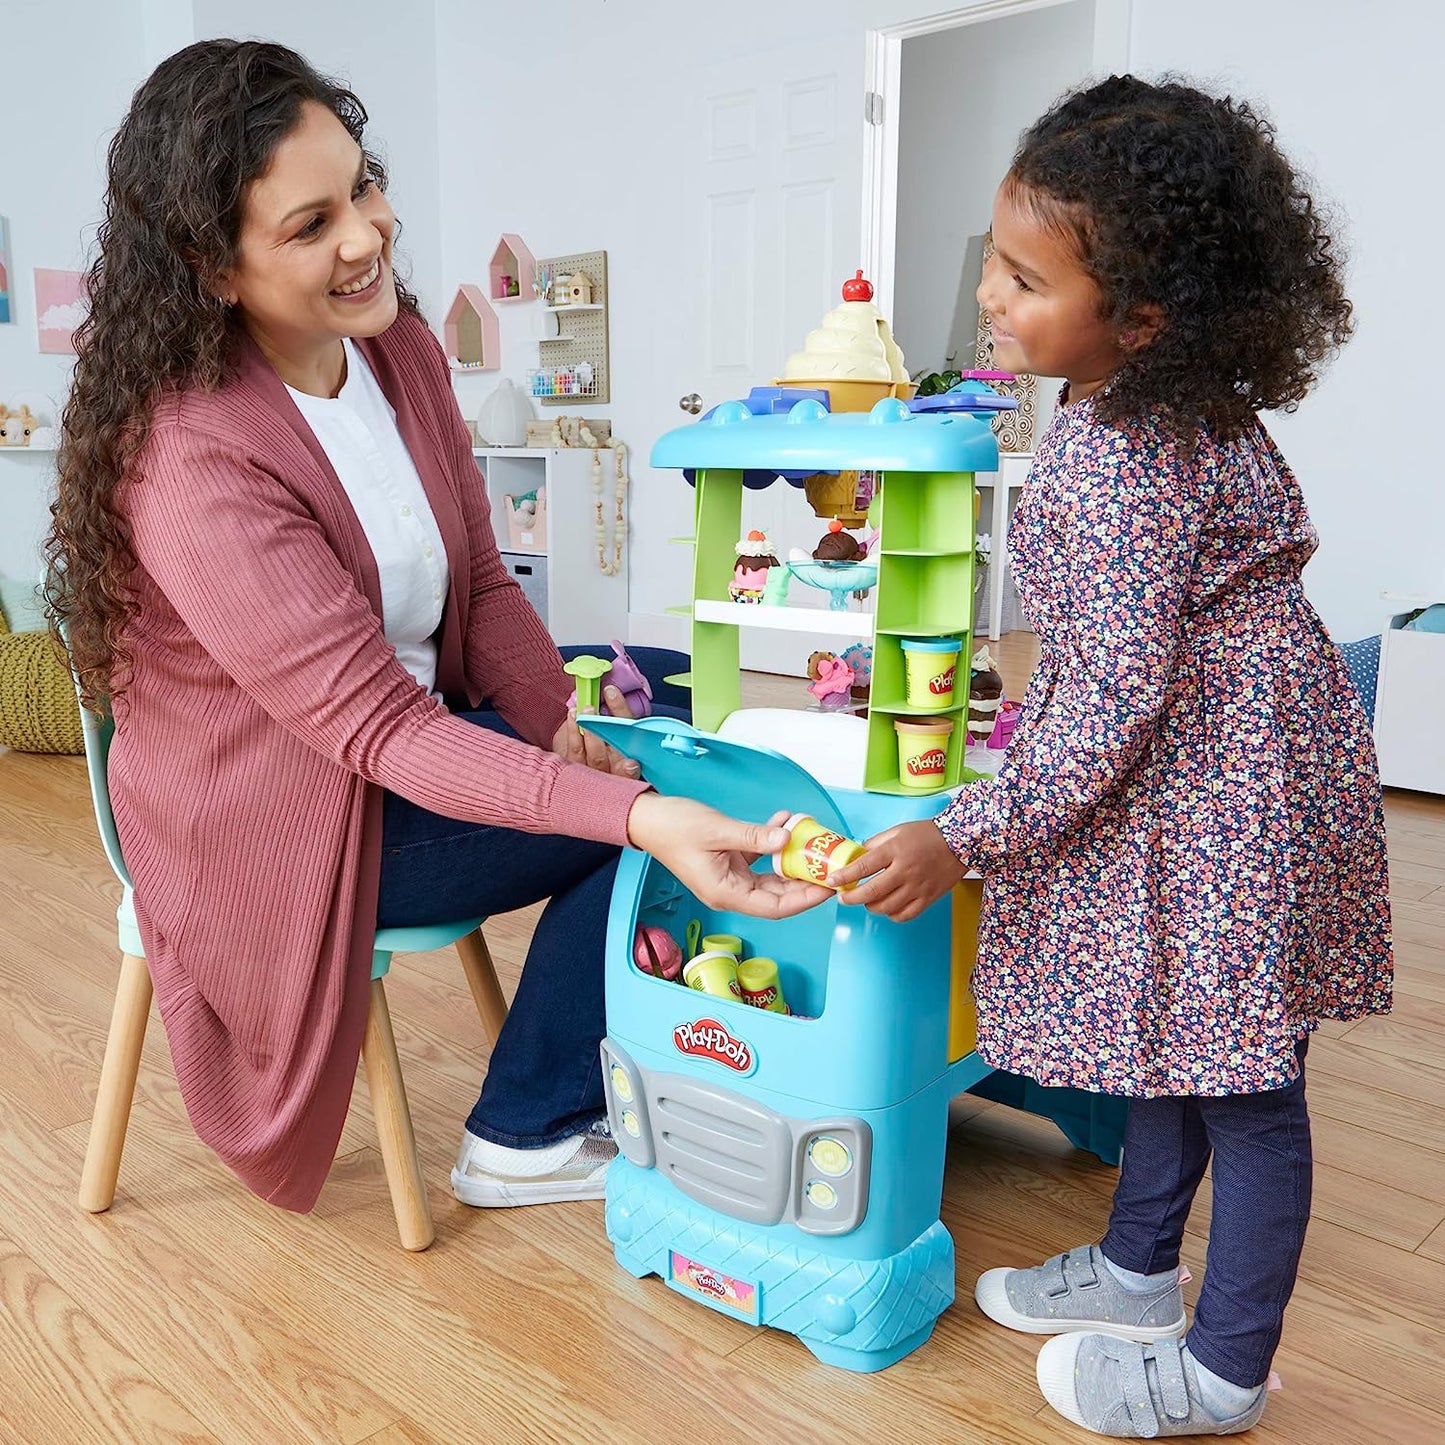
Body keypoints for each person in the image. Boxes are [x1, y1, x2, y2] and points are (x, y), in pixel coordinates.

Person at [45, 40, 828, 1219]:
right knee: (630, 822)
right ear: (211, 268)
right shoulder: (195, 458)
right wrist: (626, 802)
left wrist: (556, 722)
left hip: (406, 729)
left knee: (669, 692)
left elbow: (482, 580)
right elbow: (375, 729)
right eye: (309, 226)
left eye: (360, 186)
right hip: (290, 812)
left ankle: (660, 997)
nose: (365, 236)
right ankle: (528, 1124)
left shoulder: (396, 344)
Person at [829, 76, 1392, 1437]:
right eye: (996, 265)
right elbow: (1118, 661)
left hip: (1224, 776)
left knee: (1245, 1079)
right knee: (1181, 1031)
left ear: (1141, 315)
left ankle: (1223, 1368)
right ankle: (1139, 1268)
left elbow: (1116, 696)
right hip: (1234, 749)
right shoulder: (1138, 401)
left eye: (1026, 280)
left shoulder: (1125, 451)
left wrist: (965, 827)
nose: (991, 299)